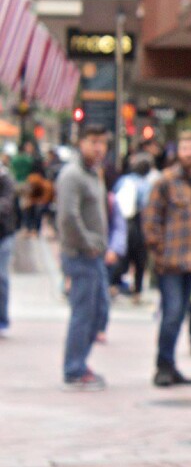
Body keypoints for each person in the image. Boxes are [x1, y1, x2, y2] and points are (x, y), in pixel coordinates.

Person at [143, 131, 191, 387]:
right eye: (185, 148)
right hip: (171, 261)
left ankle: (171, 365)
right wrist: (158, 250)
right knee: (172, 312)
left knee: (182, 312)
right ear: (177, 152)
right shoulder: (165, 182)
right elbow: (151, 219)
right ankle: (163, 366)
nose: (189, 153)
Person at [57, 125, 114, 391]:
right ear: (81, 143)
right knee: (84, 312)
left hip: (95, 255)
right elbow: (68, 216)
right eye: (93, 142)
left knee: (99, 310)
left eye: (102, 143)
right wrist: (88, 242)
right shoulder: (73, 175)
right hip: (81, 254)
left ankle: (80, 362)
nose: (99, 147)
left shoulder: (94, 173)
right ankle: (74, 369)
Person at [108, 152, 153, 304]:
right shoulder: (146, 185)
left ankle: (113, 284)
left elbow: (113, 198)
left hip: (121, 222)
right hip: (138, 223)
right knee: (139, 259)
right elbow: (147, 206)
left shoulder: (123, 180)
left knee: (122, 256)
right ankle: (137, 291)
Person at [0, 160, 17, 337]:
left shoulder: (5, 179)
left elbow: (5, 205)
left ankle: (2, 320)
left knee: (1, 277)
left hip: (3, 235)